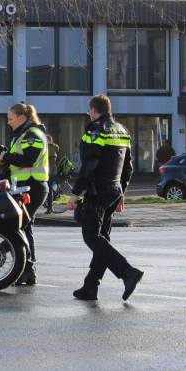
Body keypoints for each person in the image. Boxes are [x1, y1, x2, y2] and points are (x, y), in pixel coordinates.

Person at [68, 94, 144, 302]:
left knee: (92, 236)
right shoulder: (122, 130)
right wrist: (122, 193)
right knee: (102, 238)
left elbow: (89, 166)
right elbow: (128, 167)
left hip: (98, 192)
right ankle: (91, 287)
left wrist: (75, 193)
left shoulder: (94, 131)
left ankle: (128, 272)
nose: (89, 114)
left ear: (93, 109)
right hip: (114, 191)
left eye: (89, 111)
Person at [0, 103, 49, 285]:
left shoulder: (32, 135)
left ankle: (27, 269)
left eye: (11, 118)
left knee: (20, 227)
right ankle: (27, 270)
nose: (8, 122)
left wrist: (6, 157)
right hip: (24, 187)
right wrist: (2, 161)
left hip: (33, 187)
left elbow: (29, 159)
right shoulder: (22, 135)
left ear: (21, 118)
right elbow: (17, 162)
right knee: (24, 228)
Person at [44, 135, 60, 213]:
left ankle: (50, 207)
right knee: (48, 188)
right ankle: (48, 204)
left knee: (49, 189)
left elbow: (44, 156)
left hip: (50, 171)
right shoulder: (51, 147)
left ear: (49, 140)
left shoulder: (50, 148)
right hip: (49, 171)